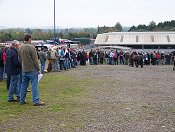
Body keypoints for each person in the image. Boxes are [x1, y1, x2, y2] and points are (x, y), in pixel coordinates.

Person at [18, 34, 45, 106]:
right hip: (32, 69)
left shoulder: (20, 47)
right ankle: (36, 100)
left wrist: (22, 65)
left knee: (24, 85)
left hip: (24, 69)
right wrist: (38, 69)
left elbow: (19, 58)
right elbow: (35, 60)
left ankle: (22, 100)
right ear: (29, 39)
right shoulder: (32, 48)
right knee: (34, 85)